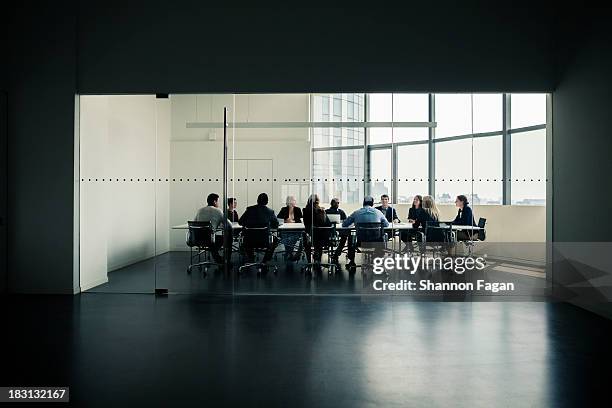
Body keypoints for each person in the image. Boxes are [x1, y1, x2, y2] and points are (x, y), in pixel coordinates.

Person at [342, 196, 389, 268]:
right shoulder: (378, 213)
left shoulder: (356, 213)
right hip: (376, 242)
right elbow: (386, 224)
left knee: (351, 237)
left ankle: (352, 261)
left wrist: (354, 222)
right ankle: (377, 261)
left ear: (363, 203)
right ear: (372, 204)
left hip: (361, 242)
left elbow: (344, 224)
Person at [238, 193, 279, 263]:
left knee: (246, 239)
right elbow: (276, 224)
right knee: (276, 240)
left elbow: (240, 222)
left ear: (257, 200)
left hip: (249, 241)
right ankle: (265, 260)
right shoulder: (270, 212)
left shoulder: (249, 209)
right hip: (264, 241)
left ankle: (251, 257)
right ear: (267, 202)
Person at [194, 193, 228, 263]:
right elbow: (228, 225)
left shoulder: (200, 210)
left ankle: (218, 259)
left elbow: (195, 223)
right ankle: (224, 260)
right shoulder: (218, 211)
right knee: (225, 238)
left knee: (212, 241)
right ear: (215, 202)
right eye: (218, 201)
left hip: (197, 238)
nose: (218, 203)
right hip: (210, 238)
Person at [302, 194, 332, 267]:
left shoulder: (305, 210)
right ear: (318, 202)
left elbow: (306, 224)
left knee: (307, 236)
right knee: (319, 240)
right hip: (322, 239)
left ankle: (309, 261)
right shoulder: (321, 211)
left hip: (310, 237)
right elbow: (328, 224)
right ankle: (318, 259)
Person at [277, 196, 303, 260]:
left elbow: (301, 220)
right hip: (285, 230)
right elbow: (278, 218)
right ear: (288, 202)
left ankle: (288, 252)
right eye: (291, 200)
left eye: (294, 200)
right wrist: (285, 220)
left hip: (295, 230)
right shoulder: (283, 209)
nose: (293, 202)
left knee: (292, 237)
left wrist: (293, 221)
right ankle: (290, 253)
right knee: (286, 236)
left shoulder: (298, 209)